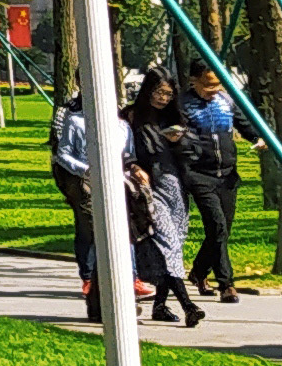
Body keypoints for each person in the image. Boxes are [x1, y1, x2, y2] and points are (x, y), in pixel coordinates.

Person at [119, 69, 206, 326]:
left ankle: (159, 306)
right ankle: (189, 305)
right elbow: (123, 148)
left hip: (176, 187)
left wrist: (180, 141)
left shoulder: (174, 115)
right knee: (168, 242)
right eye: (159, 92)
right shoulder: (131, 117)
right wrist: (133, 166)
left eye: (168, 94)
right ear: (148, 90)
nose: (163, 98)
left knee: (176, 243)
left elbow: (196, 150)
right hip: (148, 189)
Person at [180, 66, 244, 304]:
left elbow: (243, 122)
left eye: (217, 85)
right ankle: (226, 284)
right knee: (216, 227)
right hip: (199, 175)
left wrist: (257, 138)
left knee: (221, 231)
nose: (213, 91)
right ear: (193, 81)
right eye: (208, 86)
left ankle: (198, 272)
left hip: (227, 175)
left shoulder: (226, 100)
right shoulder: (183, 104)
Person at [48, 91, 101, 315]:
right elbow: (59, 149)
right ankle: (88, 276)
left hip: (104, 175)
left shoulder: (111, 104)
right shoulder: (67, 111)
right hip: (76, 176)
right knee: (88, 225)